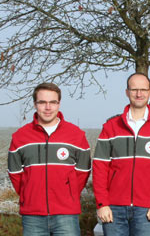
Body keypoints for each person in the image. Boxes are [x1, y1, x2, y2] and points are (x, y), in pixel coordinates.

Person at [92, 72, 150, 236]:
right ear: (127, 92)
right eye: (134, 90)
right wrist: (102, 204)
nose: (139, 94)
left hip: (146, 209)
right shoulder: (111, 126)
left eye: (143, 90)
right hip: (113, 209)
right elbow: (99, 168)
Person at [7, 83, 91, 236]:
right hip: (32, 215)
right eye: (42, 102)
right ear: (35, 104)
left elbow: (83, 171)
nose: (48, 107)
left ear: (59, 104)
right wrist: (29, 194)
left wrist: (68, 193)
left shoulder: (76, 135)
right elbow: (15, 173)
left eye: (53, 102)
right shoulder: (20, 137)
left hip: (66, 214)